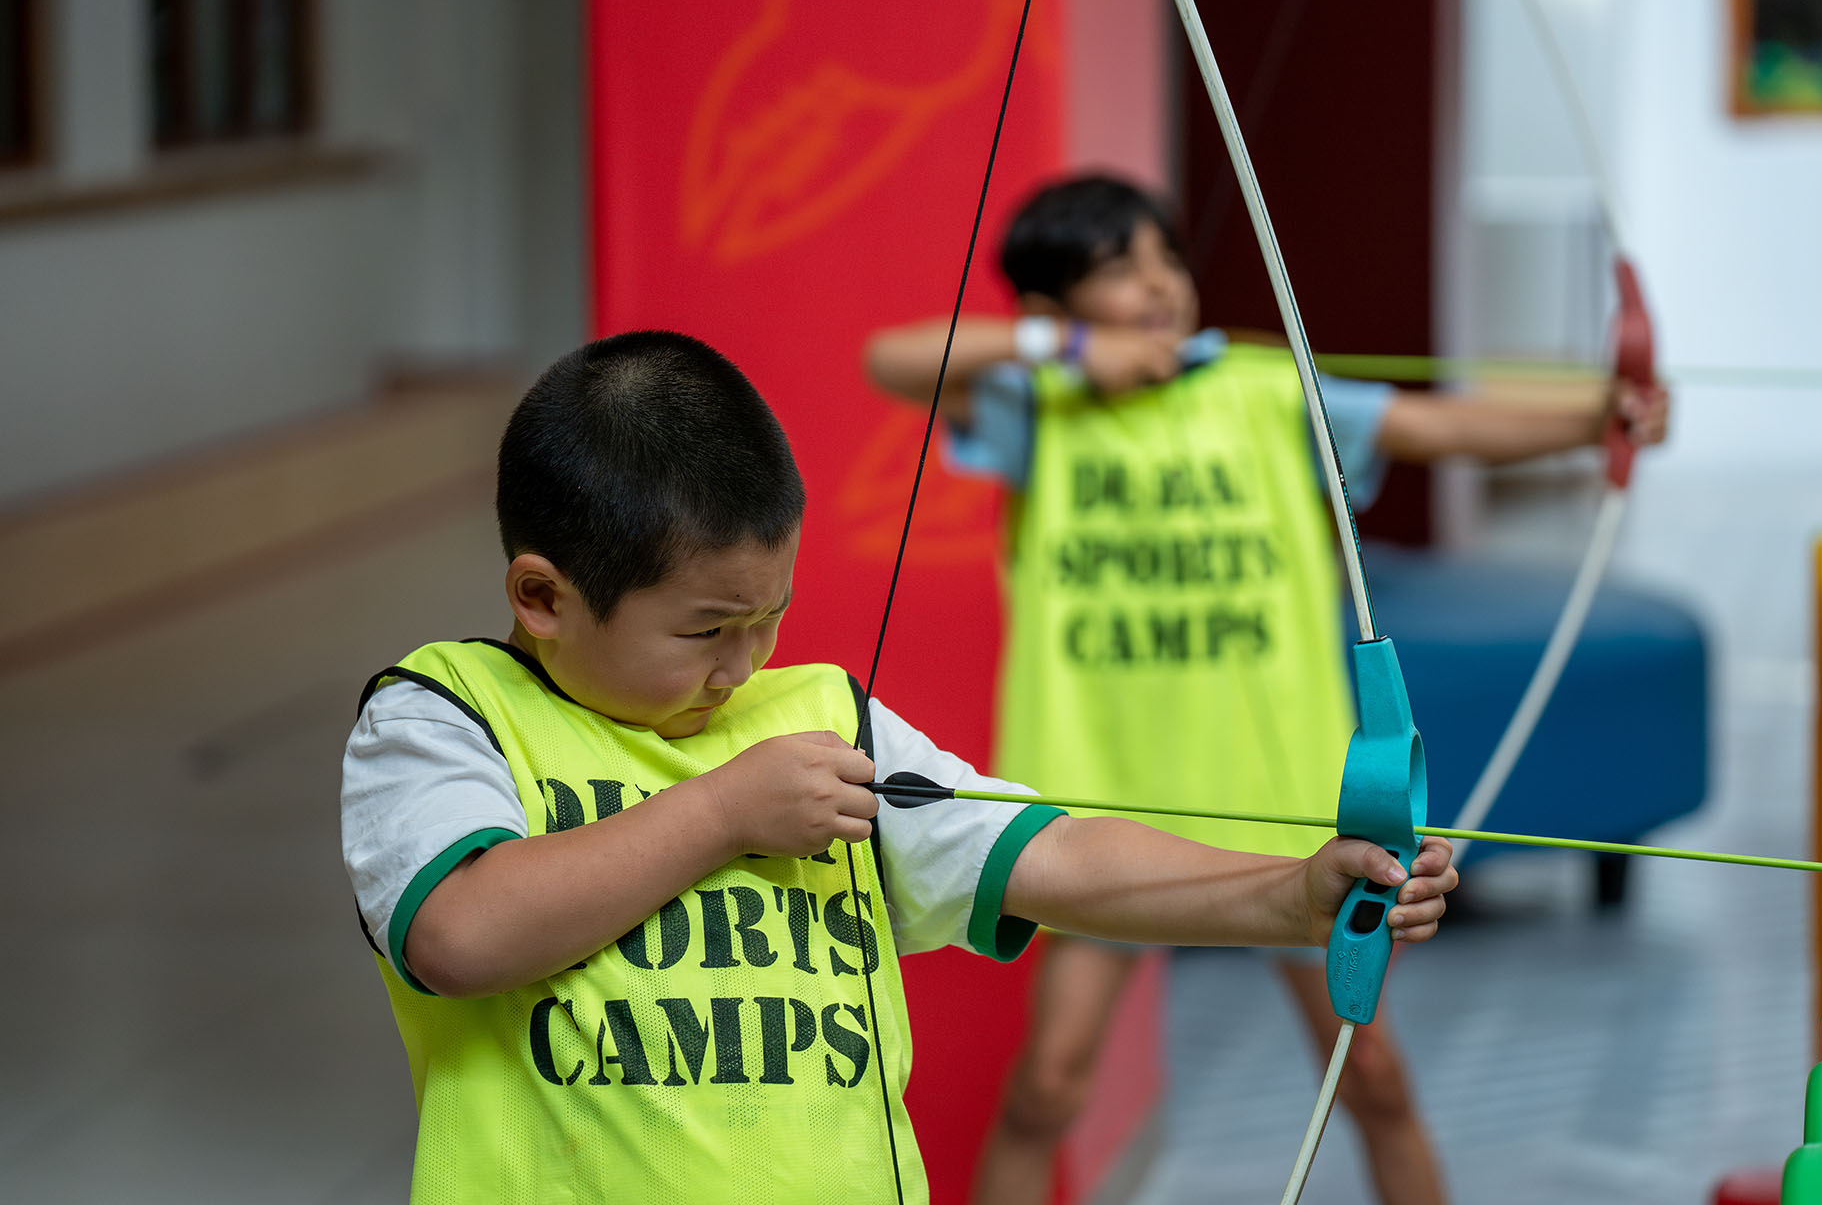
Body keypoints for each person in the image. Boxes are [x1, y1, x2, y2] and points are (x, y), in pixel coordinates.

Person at [339, 328, 1458, 1205]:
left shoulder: (822, 722)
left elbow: (1053, 856)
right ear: (543, 597)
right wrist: (724, 811)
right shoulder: (447, 717)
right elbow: (460, 934)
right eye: (704, 629)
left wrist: (1288, 895)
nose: (744, 662)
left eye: (769, 617)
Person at [863, 174, 1667, 1205]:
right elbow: (891, 360)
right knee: (1048, 1088)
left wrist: (1600, 417)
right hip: (1104, 807)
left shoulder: (1267, 388)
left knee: (1371, 1076)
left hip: (1287, 805)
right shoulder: (1039, 407)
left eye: (1166, 257)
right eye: (1119, 269)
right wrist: (1063, 351)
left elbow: (1438, 428)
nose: (1160, 283)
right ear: (1054, 306)